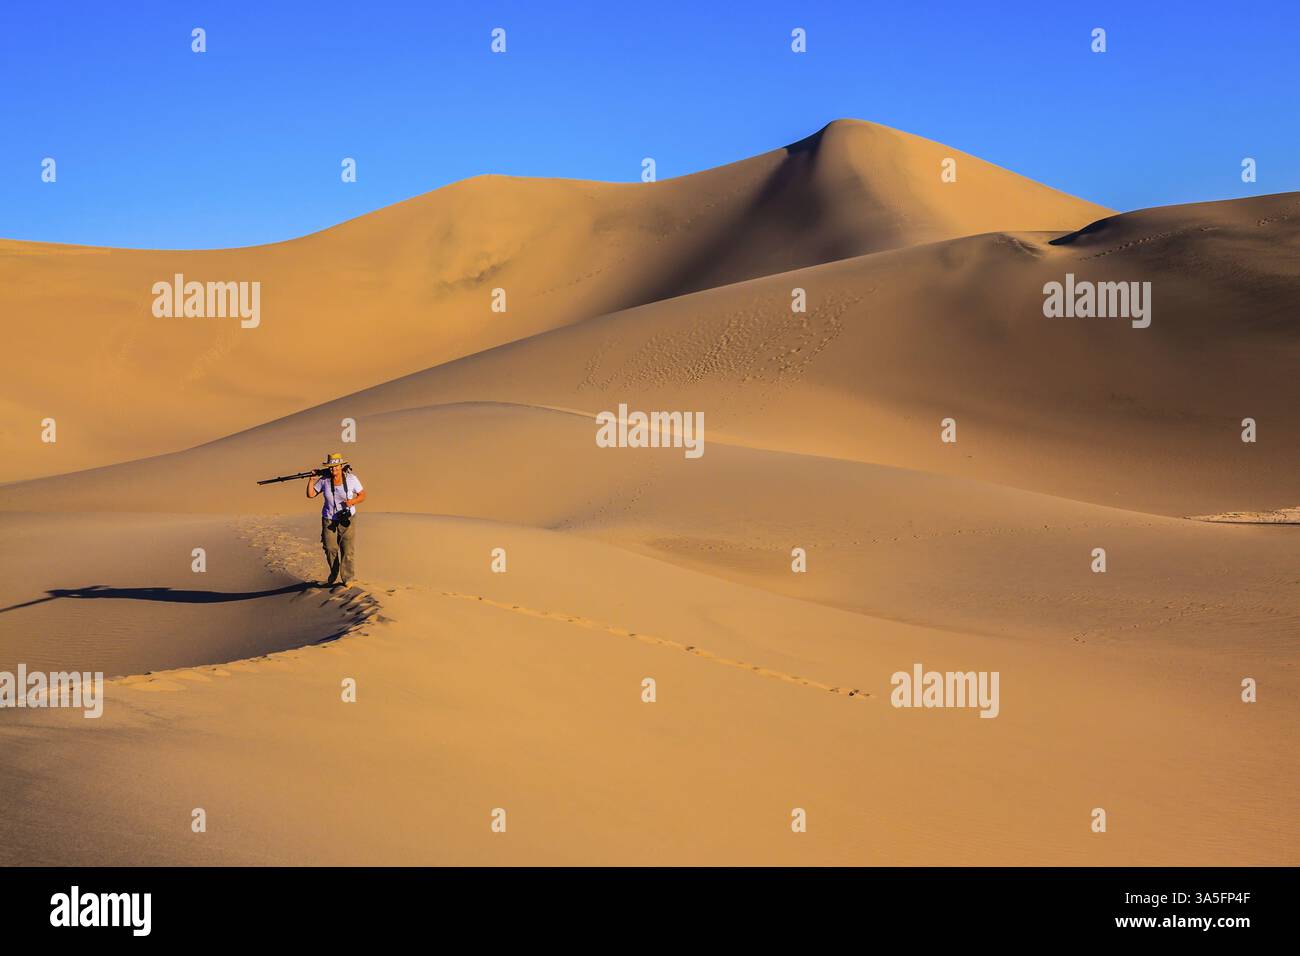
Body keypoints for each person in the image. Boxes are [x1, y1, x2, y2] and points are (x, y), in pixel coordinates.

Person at [306, 452, 366, 587]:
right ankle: (334, 572)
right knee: (330, 548)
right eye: (332, 467)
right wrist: (311, 480)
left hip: (347, 518)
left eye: (337, 467)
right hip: (329, 519)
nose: (334, 469)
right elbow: (310, 494)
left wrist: (352, 501)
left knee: (347, 549)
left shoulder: (351, 479)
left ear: (341, 466)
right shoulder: (324, 481)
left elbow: (362, 495)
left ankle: (348, 578)